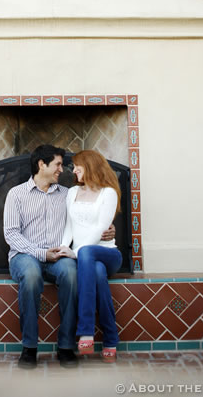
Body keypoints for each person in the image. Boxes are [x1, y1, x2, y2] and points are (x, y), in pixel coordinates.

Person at [3, 144, 115, 369]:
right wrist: (40, 253)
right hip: (25, 255)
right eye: (57, 164)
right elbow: (11, 234)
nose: (62, 170)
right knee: (32, 274)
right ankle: (29, 347)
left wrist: (108, 231)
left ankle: (66, 346)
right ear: (41, 165)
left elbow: (86, 220)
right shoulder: (16, 194)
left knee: (72, 274)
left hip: (60, 256)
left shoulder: (67, 194)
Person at [57, 149, 123, 363]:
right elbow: (69, 226)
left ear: (91, 166)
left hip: (108, 253)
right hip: (87, 259)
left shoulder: (108, 193)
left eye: (78, 165)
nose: (73, 169)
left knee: (88, 254)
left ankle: (85, 330)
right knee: (96, 272)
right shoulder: (71, 193)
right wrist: (62, 248)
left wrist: (75, 252)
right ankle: (111, 339)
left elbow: (100, 230)